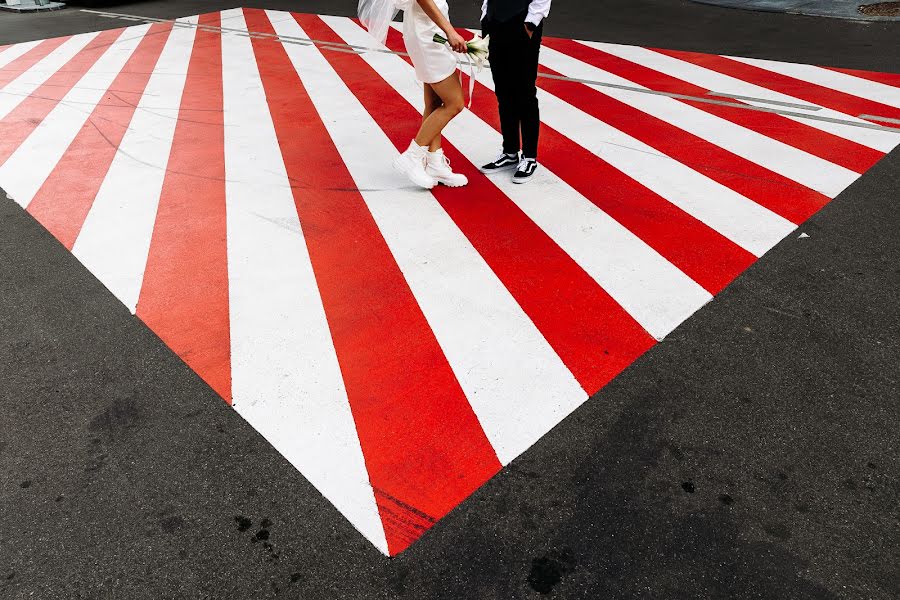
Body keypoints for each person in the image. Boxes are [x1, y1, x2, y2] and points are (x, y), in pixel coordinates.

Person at [359, 0, 470, 189]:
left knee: (434, 102)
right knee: (454, 103)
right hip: (427, 33)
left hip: (429, 29)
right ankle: (412, 156)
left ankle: (435, 162)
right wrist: (450, 31)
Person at [479, 0, 552, 184]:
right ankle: (510, 152)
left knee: (525, 94)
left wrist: (530, 25)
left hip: (523, 24)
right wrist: (485, 19)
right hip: (495, 24)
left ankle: (529, 157)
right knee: (503, 92)